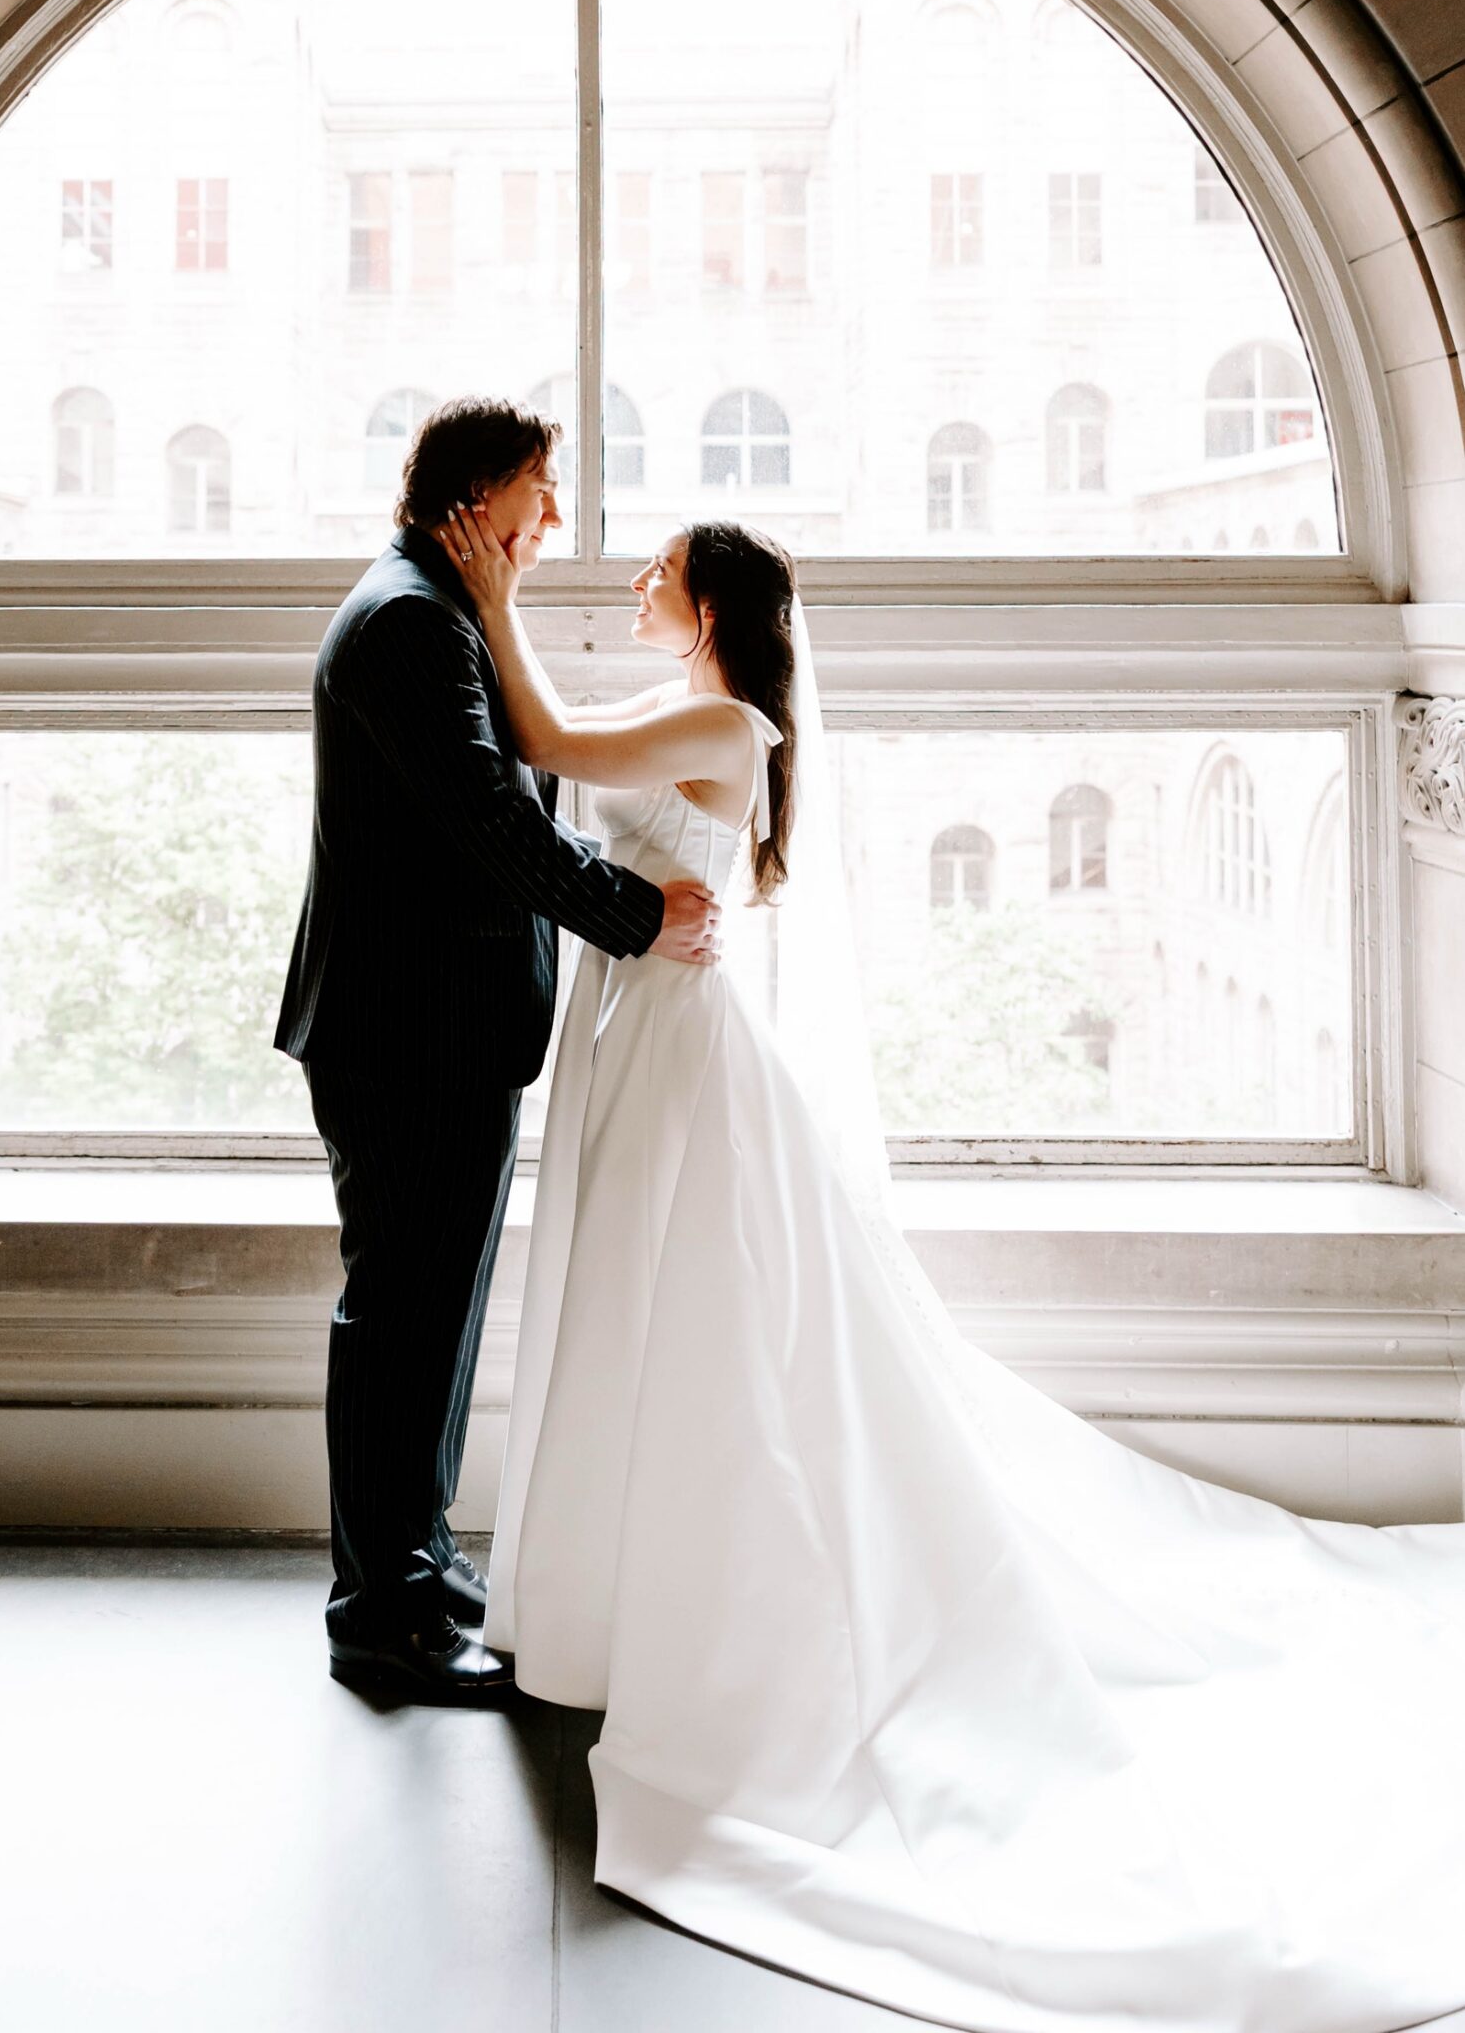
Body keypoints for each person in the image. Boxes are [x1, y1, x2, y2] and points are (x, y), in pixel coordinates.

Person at [446, 498, 1465, 2033]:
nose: (640, 580)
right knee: (631, 1299)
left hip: (676, 1042)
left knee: (689, 1314)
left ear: (712, 607)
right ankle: (600, 1595)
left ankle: (684, 1600)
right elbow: (571, 772)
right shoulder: (686, 702)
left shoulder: (721, 721)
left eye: (664, 571)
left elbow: (547, 743)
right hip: (634, 1017)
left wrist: (488, 593)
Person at [274, 396, 722, 1705]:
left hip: (438, 1031)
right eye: (542, 488)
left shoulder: (439, 606)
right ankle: (382, 1616)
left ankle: (414, 1564)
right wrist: (637, 915)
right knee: (403, 1324)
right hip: (408, 1035)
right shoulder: (410, 623)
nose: (558, 517)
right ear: (479, 498)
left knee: (434, 1318)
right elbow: (488, 823)